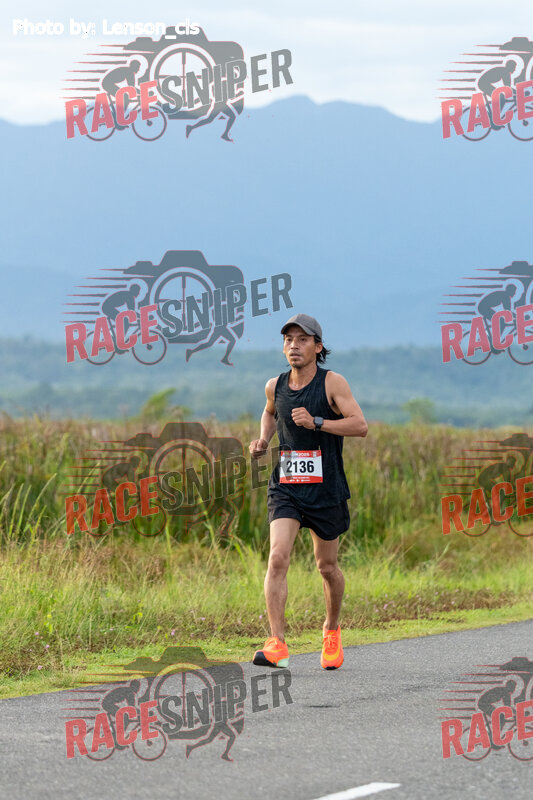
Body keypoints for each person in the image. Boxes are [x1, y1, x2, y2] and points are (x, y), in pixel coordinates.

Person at [249, 314, 368, 670]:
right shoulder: (275, 385)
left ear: (318, 346)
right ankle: (277, 643)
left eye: (302, 340)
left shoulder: (332, 383)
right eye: (288, 340)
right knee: (277, 558)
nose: (294, 346)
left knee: (326, 566)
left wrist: (317, 422)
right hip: (286, 485)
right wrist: (263, 439)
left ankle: (331, 630)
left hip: (325, 488)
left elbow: (360, 425)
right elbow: (270, 412)